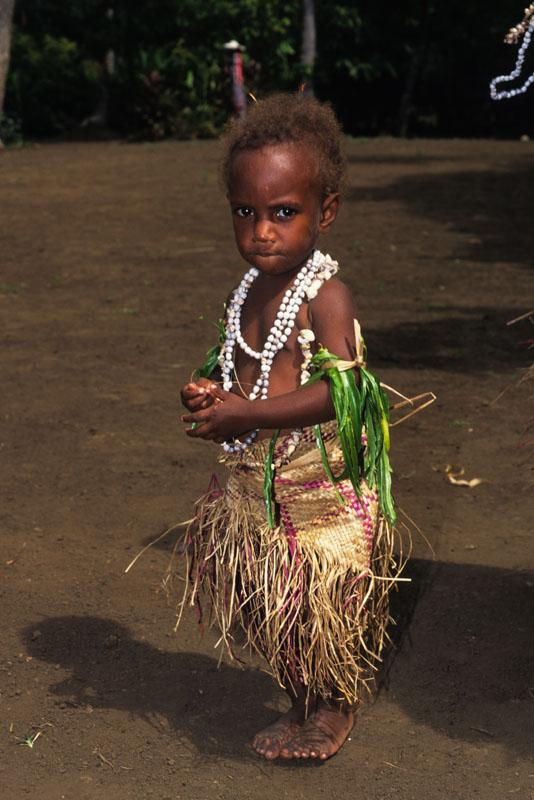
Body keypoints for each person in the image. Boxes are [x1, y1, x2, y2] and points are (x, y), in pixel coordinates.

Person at [176, 93, 399, 762]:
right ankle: (300, 700)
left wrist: (245, 413)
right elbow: (240, 365)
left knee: (322, 602)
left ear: (324, 212)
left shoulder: (324, 296)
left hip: (319, 485)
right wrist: (211, 396)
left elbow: (340, 391)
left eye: (283, 213)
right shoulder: (246, 290)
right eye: (246, 212)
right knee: (273, 604)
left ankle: (333, 707)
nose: (262, 231)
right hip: (259, 484)